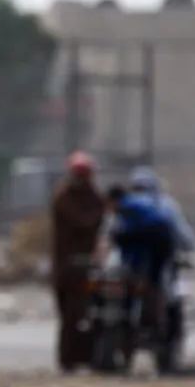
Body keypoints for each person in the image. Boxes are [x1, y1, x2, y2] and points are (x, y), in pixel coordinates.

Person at [49, 152, 106, 372]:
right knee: (70, 316)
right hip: (67, 268)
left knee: (89, 313)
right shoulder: (64, 198)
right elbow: (84, 222)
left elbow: (100, 216)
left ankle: (88, 356)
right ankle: (68, 360)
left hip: (88, 266)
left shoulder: (92, 196)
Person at [106, 182, 178, 333]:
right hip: (162, 238)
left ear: (114, 200)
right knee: (151, 279)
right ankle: (154, 315)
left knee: (149, 281)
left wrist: (126, 259)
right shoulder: (138, 203)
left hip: (157, 239)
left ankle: (155, 318)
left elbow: (130, 238)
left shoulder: (127, 207)